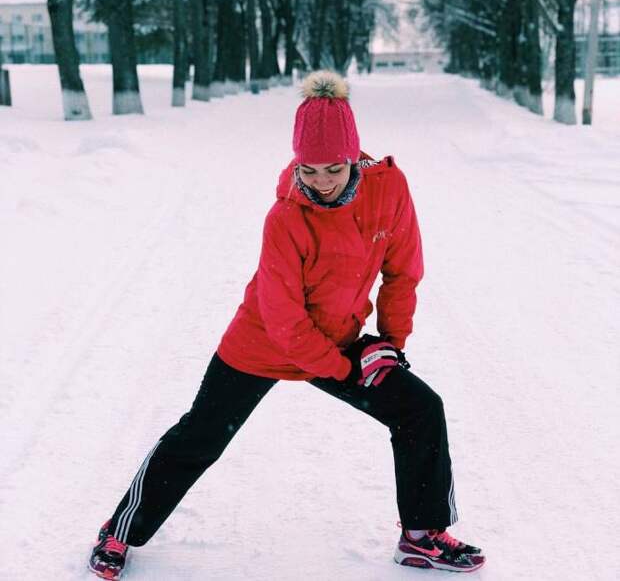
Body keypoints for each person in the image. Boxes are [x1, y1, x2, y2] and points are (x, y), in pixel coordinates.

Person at [88, 70, 485, 580]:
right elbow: (282, 319)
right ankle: (119, 531)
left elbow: (403, 272)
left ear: (355, 159)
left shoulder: (390, 188)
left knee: (421, 409)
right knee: (200, 437)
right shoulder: (285, 218)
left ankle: (422, 535)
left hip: (336, 339)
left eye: (334, 170)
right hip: (261, 345)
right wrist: (343, 368)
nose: (321, 183)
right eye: (310, 170)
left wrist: (388, 345)